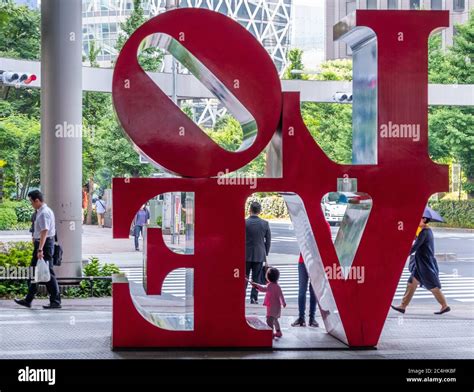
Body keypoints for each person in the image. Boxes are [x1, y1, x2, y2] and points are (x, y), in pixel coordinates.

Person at [391, 216, 450, 315]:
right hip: (421, 263)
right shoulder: (425, 231)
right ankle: (403, 306)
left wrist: (402, 255)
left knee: (433, 286)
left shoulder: (425, 232)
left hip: (425, 264)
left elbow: (415, 246)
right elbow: (416, 240)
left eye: (419, 218)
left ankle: (445, 306)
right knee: (411, 283)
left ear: (424, 220)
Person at [14, 190, 61, 309]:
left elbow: (44, 231)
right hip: (42, 244)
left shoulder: (44, 212)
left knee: (48, 273)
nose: (31, 204)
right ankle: (28, 299)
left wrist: (40, 249)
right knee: (34, 272)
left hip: (44, 245)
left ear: (37, 200)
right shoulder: (41, 211)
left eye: (31, 201)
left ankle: (55, 301)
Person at [248, 267, 286, 338]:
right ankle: (278, 332)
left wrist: (255, 285)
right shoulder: (278, 286)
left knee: (269, 320)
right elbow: (281, 296)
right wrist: (283, 303)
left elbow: (263, 289)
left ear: (268, 277)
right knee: (275, 320)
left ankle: (270, 333)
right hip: (277, 307)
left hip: (271, 307)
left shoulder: (269, 286)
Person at [245, 201, 271, 304]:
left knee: (244, 277)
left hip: (245, 254)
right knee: (256, 278)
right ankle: (253, 298)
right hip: (259, 254)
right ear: (259, 211)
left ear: (250, 210)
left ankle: (241, 296)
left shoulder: (244, 223)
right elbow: (268, 241)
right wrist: (266, 253)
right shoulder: (265, 223)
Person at [291, 253, 319, 327]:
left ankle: (312, 318)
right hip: (303, 261)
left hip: (314, 261)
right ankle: (301, 317)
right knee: (302, 291)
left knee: (313, 291)